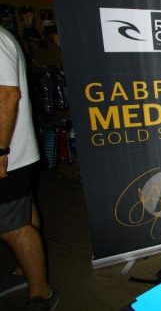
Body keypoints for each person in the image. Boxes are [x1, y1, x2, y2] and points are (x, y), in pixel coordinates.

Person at [0, 25, 59, 309]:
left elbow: (8, 96)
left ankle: (41, 292)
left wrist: (1, 150)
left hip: (7, 153)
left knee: (11, 226)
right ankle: (28, 271)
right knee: (22, 212)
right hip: (12, 152)